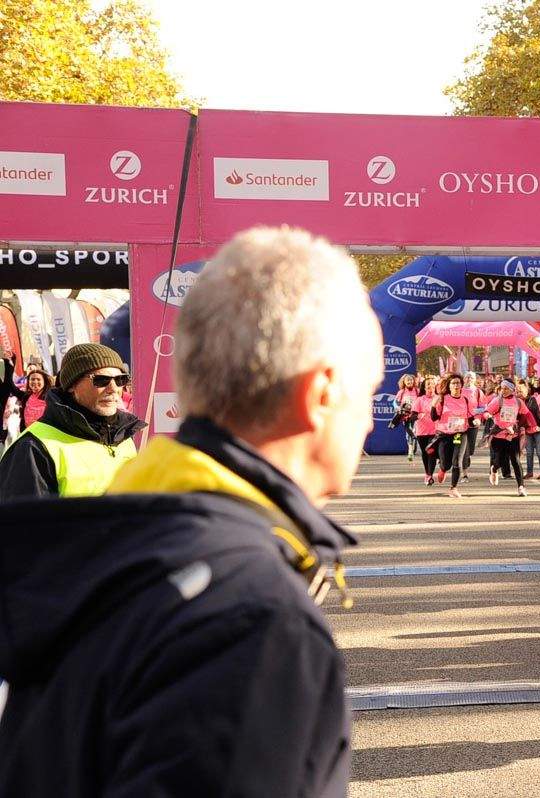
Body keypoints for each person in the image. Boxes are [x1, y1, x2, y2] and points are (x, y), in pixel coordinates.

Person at [0, 227, 374, 796]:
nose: (371, 424)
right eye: (368, 392)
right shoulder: (253, 616)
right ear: (321, 393)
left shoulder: (137, 534)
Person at [0, 343, 145, 499]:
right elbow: (24, 520)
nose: (113, 388)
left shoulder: (122, 435)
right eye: (101, 380)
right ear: (71, 385)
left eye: (120, 380)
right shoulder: (31, 447)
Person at [430, 373, 479, 498]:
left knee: (457, 461)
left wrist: (475, 421)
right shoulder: (443, 398)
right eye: (453, 383)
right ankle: (442, 469)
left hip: (459, 434)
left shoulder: (465, 400)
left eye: (458, 383)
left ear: (461, 385)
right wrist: (433, 406)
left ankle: (453, 488)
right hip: (445, 435)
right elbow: (434, 417)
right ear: (449, 386)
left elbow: (470, 416)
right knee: (446, 463)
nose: (456, 385)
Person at [486, 379, 538, 496]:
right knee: (501, 460)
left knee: (515, 460)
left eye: (506, 388)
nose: (503, 391)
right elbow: (487, 411)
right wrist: (487, 414)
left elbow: (527, 414)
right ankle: (494, 469)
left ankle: (521, 487)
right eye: (502, 388)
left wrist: (534, 425)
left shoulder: (518, 402)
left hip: (512, 436)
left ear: (512, 389)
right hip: (499, 436)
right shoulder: (497, 401)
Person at [409, 376, 439, 485]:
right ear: (424, 387)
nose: (430, 387)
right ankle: (427, 473)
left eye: (432, 384)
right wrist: (418, 416)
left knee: (431, 452)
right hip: (422, 431)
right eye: (428, 385)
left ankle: (430, 475)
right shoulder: (420, 399)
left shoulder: (439, 398)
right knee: (425, 453)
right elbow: (412, 416)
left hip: (435, 431)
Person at [11, 364, 52, 431]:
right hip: (29, 435)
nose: (35, 382)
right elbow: (10, 386)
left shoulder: (51, 397)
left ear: (44, 382)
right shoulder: (26, 397)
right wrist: (10, 361)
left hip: (46, 435)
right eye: (32, 379)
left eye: (38, 379)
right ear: (28, 382)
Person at [523, 382, 540, 481]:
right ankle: (529, 472)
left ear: (527, 390)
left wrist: (539, 426)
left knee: (539, 452)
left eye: (522, 390)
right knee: (529, 452)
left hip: (538, 428)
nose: (519, 392)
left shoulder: (531, 400)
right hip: (528, 429)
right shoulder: (518, 401)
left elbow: (534, 414)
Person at [394, 373, 421, 463]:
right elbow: (395, 403)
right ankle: (411, 447)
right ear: (404, 382)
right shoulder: (401, 392)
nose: (409, 381)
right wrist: (398, 408)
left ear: (414, 381)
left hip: (414, 414)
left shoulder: (417, 391)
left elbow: (421, 401)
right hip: (405, 415)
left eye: (411, 380)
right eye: (407, 380)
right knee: (408, 431)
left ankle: (410, 450)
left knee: (412, 430)